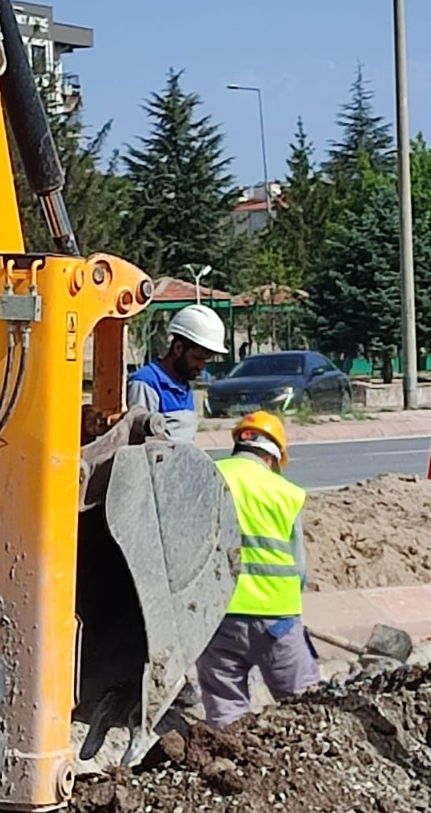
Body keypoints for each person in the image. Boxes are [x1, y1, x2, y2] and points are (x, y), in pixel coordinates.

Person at [196, 411, 319, 728]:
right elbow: (299, 567)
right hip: (276, 619)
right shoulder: (286, 494)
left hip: (216, 617)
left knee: (226, 713)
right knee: (307, 708)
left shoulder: (207, 477)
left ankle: (234, 768)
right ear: (273, 456)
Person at [126, 303, 227, 442]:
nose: (201, 366)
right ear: (178, 348)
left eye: (205, 360)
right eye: (197, 358)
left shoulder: (184, 387)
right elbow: (137, 445)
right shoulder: (146, 384)